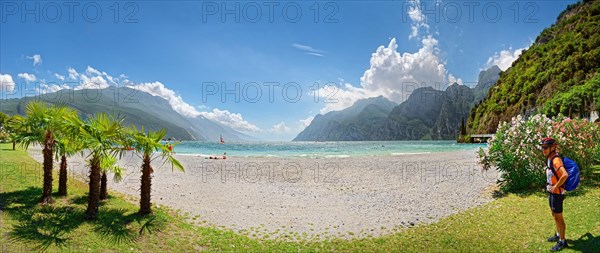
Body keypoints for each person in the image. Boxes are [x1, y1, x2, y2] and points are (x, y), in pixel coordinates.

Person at [540, 137, 569, 251]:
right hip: (552, 191)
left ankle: (562, 241)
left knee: (558, 217)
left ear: (553, 148)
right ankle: (558, 234)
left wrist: (556, 186)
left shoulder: (555, 160)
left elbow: (564, 175)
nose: (543, 150)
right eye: (542, 147)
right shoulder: (550, 158)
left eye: (545, 147)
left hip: (557, 193)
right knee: (554, 214)